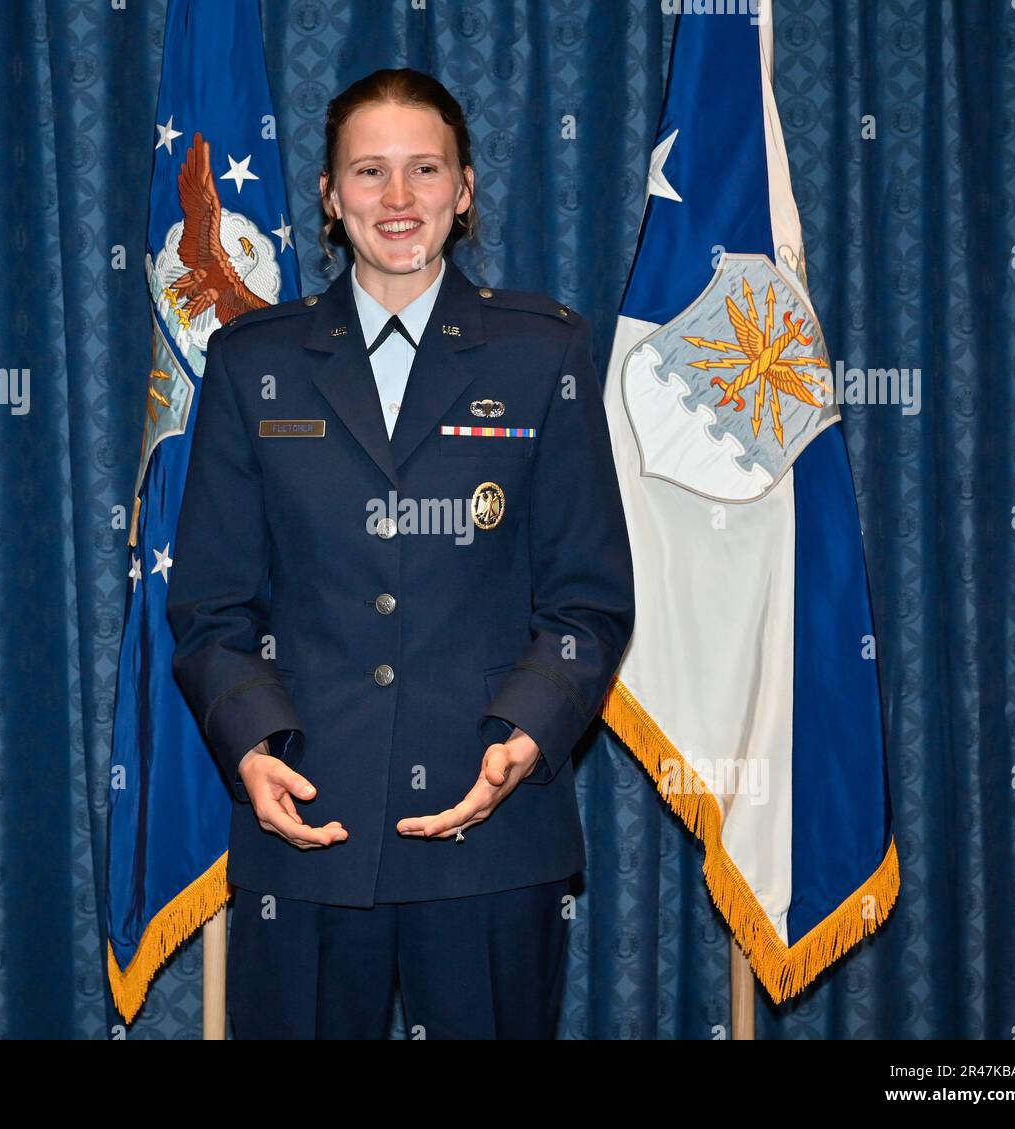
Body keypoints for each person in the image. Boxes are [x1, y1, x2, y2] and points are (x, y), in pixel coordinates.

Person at [166, 67, 635, 1040]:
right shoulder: (253, 361)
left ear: (463, 189)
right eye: (368, 171)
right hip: (305, 825)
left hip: (491, 829)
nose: (397, 197)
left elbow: (587, 597)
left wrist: (526, 733)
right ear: (330, 198)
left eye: (424, 168)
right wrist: (252, 745)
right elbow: (211, 603)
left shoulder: (541, 350)